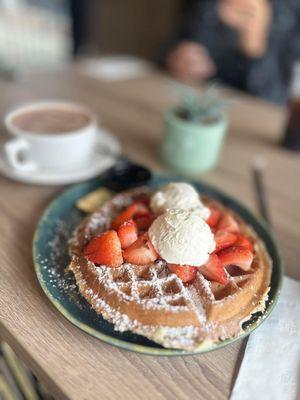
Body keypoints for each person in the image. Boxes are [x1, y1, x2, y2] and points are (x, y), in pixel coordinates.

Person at [166, 0, 300, 104]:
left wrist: (255, 44)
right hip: (190, 99)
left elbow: (275, 104)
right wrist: (179, 59)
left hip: (250, 120)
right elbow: (177, 44)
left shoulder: (291, 12)